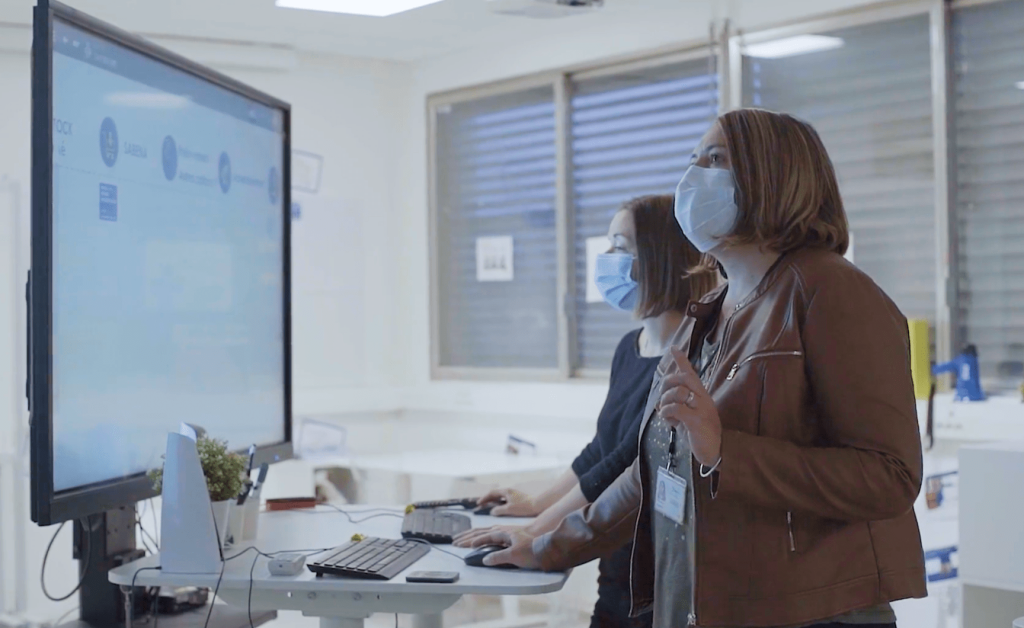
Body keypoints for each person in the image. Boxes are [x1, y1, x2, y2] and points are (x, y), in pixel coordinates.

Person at [463, 109, 927, 628]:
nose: (692, 178)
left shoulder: (831, 291)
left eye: (716, 160)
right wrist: (547, 544)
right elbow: (652, 469)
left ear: (774, 177)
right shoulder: (709, 312)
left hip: (814, 609)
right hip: (712, 600)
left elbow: (890, 476)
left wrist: (726, 451)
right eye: (693, 159)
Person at [455, 194, 716, 628]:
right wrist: (535, 505)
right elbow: (601, 449)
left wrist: (539, 531)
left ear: (659, 257)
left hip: (660, 576)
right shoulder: (629, 349)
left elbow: (625, 464)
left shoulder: (691, 358)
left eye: (621, 246)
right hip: (614, 571)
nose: (607, 259)